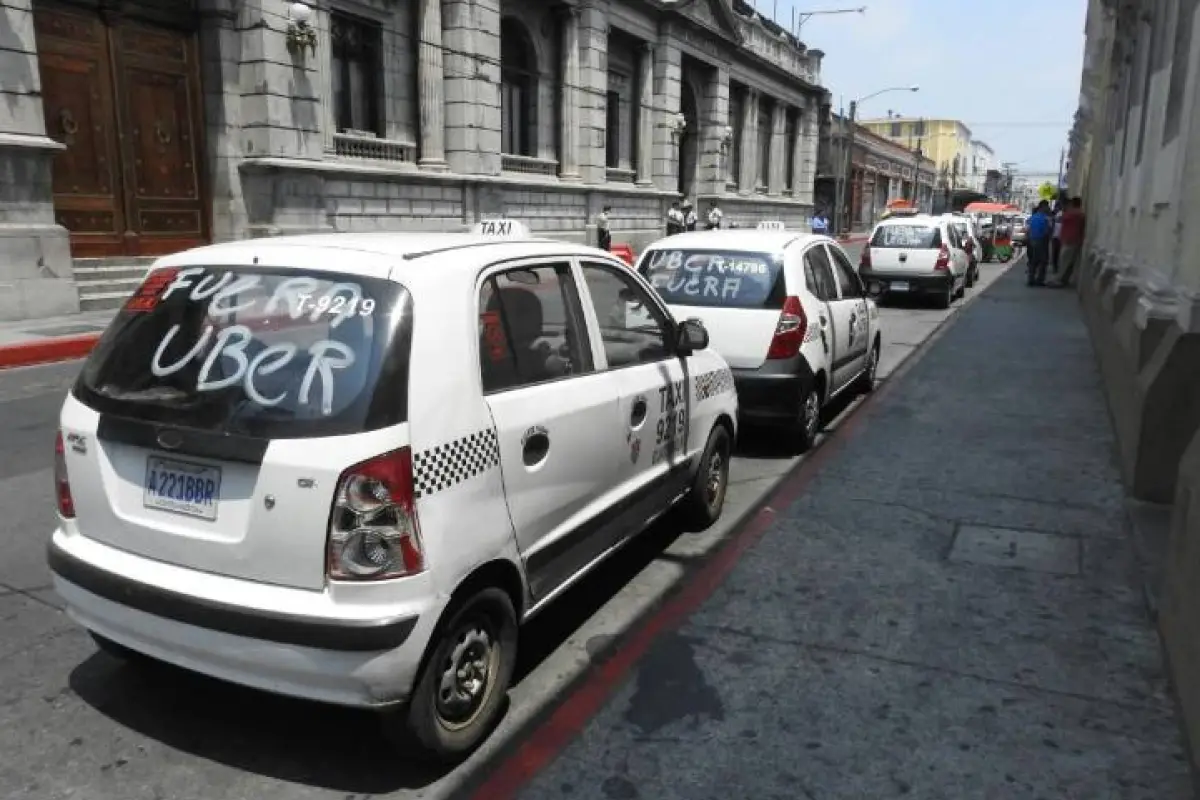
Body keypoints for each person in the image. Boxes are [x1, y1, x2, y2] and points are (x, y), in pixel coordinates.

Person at [1053, 197, 1086, 288]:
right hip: (1074, 240)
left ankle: (1060, 280)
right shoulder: (1079, 214)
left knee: (1064, 261)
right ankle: (1064, 279)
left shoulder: (1073, 213)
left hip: (1069, 240)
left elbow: (1061, 218)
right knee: (1069, 262)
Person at [1026, 200, 1053, 286]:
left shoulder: (1032, 217)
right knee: (1043, 261)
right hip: (1041, 240)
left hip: (1031, 240)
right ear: (1043, 207)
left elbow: (1028, 229)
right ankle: (1039, 280)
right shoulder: (1046, 218)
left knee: (1034, 260)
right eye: (1047, 206)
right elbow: (1048, 230)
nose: (1048, 208)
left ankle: (1031, 278)